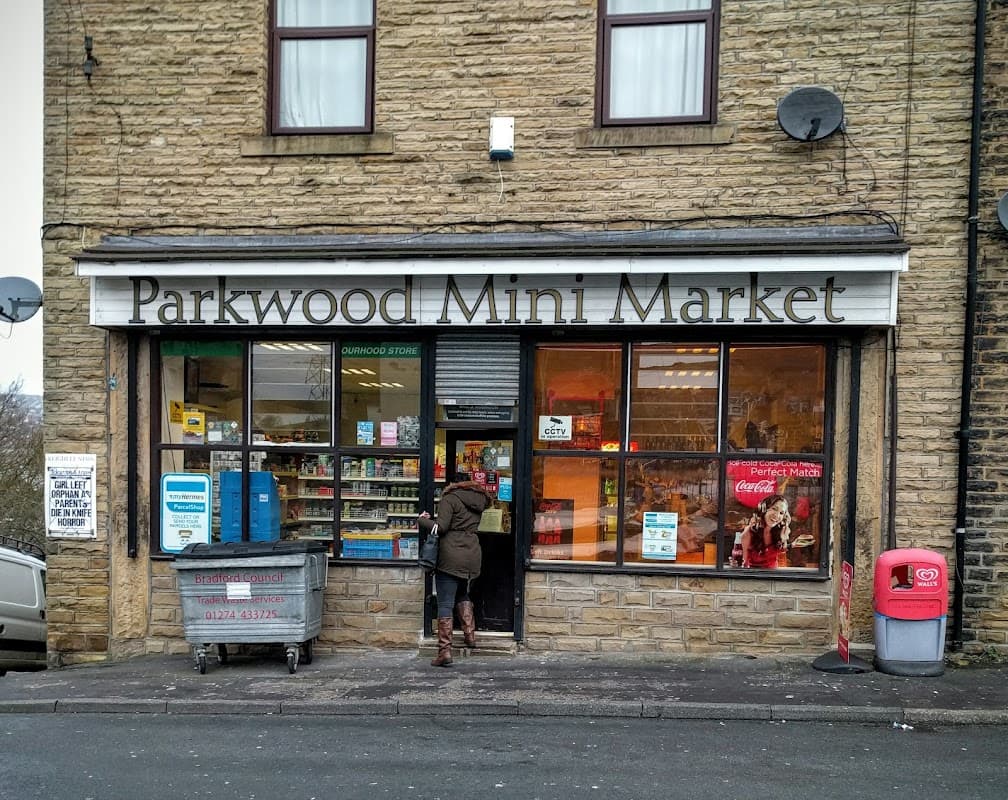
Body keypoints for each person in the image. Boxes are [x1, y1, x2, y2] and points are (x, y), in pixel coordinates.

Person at [429, 479, 494, 667]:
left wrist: (422, 520)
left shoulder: (449, 499)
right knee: (462, 593)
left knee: (445, 603)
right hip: (471, 554)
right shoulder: (479, 501)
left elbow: (441, 527)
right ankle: (469, 636)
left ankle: (444, 651)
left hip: (450, 555)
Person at [740, 493, 791, 569]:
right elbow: (743, 564)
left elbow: (781, 556)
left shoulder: (780, 531)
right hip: (754, 575)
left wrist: (786, 542)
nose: (777, 516)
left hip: (774, 574)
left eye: (781, 513)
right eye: (774, 509)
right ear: (764, 509)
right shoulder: (749, 532)